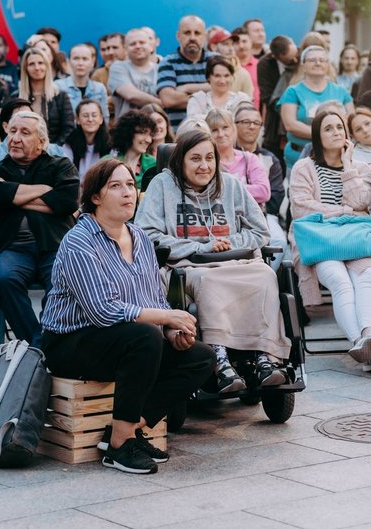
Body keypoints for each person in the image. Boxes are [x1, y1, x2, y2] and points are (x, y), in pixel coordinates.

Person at [40, 158, 214, 474]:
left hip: (120, 338)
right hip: (70, 342)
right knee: (145, 335)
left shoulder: (140, 238)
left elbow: (153, 299)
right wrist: (163, 320)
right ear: (95, 197)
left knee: (200, 356)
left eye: (131, 185)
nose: (127, 193)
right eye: (116, 186)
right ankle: (119, 447)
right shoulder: (79, 241)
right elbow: (102, 311)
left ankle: (127, 430)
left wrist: (172, 333)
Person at [135, 130, 291, 392]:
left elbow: (260, 231)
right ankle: (220, 359)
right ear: (180, 161)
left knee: (266, 275)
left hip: (236, 262)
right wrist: (200, 246)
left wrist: (229, 244)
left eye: (209, 158)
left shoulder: (230, 184)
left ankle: (266, 358)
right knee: (208, 279)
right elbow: (147, 234)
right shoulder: (162, 185)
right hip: (188, 266)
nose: (204, 165)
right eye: (195, 159)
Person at [289, 110, 371, 370]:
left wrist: (348, 167)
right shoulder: (304, 167)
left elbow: (362, 202)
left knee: (368, 276)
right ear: (317, 136)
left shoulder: (359, 167)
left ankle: (370, 336)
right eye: (328, 128)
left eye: (339, 127)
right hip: (321, 242)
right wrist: (346, 213)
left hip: (354, 240)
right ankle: (360, 342)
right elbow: (303, 209)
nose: (336, 132)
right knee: (340, 281)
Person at [0, 111, 78, 345]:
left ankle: (50, 335)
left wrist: (13, 194)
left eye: (24, 132)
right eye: (12, 131)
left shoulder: (60, 165)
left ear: (42, 142)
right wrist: (46, 190)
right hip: (12, 248)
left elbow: (67, 202)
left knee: (63, 278)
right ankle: (37, 343)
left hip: (54, 246)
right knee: (3, 278)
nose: (15, 138)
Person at [206, 108, 288, 269]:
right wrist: (244, 189)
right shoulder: (208, 163)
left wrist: (230, 188)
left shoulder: (249, 158)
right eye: (214, 130)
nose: (221, 134)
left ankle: (266, 274)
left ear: (233, 129)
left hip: (254, 215)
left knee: (279, 241)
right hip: (219, 218)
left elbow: (264, 192)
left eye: (225, 127)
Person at [278, 46, 354, 168]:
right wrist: (323, 134)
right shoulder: (292, 92)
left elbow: (350, 122)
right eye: (312, 60)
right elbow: (290, 125)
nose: (318, 63)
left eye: (322, 60)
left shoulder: (341, 91)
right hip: (299, 156)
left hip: (336, 158)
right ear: (303, 65)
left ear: (328, 65)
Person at [234, 102, 286, 231]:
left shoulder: (270, 159)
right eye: (246, 122)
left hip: (264, 215)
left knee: (278, 241)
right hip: (231, 214)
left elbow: (275, 199)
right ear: (235, 125)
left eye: (256, 123)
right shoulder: (225, 156)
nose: (252, 127)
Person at [0, 98, 67, 173]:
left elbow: (68, 188)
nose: (25, 119)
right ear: (6, 127)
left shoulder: (56, 152)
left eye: (29, 115)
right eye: (18, 117)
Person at [157, 15, 214, 127]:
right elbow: (168, 99)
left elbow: (225, 92)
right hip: (179, 135)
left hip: (212, 134)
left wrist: (186, 88)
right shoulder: (168, 62)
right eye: (187, 33)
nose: (192, 37)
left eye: (197, 33)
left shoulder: (215, 60)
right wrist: (209, 93)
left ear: (205, 37)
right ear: (178, 36)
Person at [15, 47, 75, 145]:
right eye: (31, 64)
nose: (37, 68)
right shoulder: (16, 97)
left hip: (54, 153)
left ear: (47, 66)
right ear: (25, 68)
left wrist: (53, 150)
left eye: (40, 63)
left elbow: (68, 128)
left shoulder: (60, 96)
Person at [108, 28, 161, 119]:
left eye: (142, 42)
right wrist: (164, 104)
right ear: (125, 49)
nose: (138, 46)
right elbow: (131, 95)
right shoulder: (118, 68)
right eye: (132, 44)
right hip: (127, 129)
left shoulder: (161, 69)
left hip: (157, 128)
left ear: (151, 46)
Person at [55, 43, 109, 125]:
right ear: (69, 61)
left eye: (85, 59)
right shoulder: (57, 86)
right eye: (76, 58)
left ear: (92, 62)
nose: (80, 63)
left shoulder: (99, 88)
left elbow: (105, 118)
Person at [186, 57, 252, 121]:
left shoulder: (241, 100)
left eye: (226, 76)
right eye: (217, 76)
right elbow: (192, 124)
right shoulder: (198, 100)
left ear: (232, 77)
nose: (222, 81)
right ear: (208, 77)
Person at [63, 99, 110, 180]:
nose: (90, 119)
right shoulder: (69, 144)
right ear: (77, 120)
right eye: (85, 116)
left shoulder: (110, 144)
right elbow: (66, 173)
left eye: (94, 115)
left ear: (101, 119)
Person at [109, 111, 156, 188]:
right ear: (128, 133)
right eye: (143, 133)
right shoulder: (107, 162)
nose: (148, 140)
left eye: (150, 135)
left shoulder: (153, 164)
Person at [206, 28, 254, 98]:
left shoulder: (243, 74)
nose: (231, 48)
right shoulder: (204, 68)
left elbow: (248, 102)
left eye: (232, 44)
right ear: (213, 47)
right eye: (225, 44)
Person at [232, 27, 260, 106]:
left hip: (257, 114)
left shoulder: (261, 66)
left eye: (244, 41)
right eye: (237, 42)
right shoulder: (227, 68)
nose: (241, 46)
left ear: (251, 42)